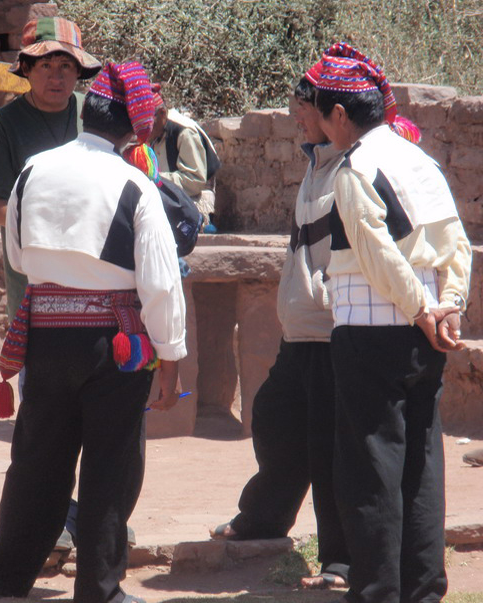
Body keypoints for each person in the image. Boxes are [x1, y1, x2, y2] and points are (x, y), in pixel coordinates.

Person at [0, 61, 186, 603]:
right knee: (110, 468)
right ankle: (99, 591)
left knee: (37, 464)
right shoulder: (135, 184)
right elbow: (160, 283)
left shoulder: (33, 172)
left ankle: (2, 585)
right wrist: (172, 357)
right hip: (115, 345)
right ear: (131, 128)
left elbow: (19, 255)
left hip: (44, 336)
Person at [314, 43, 471, 603]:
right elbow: (457, 243)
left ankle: (377, 590)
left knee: (370, 469)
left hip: (371, 333)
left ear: (339, 115)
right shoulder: (419, 161)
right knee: (422, 465)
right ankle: (423, 588)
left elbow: (377, 253)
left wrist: (422, 308)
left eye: (321, 112)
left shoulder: (355, 168)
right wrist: (447, 304)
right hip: (423, 335)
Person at [209, 67, 351, 589]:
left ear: (331, 112)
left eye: (303, 111)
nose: (296, 120)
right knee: (275, 422)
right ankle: (264, 520)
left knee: (330, 447)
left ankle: (341, 560)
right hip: (302, 334)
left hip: (334, 333)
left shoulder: (349, 170)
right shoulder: (317, 164)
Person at [0, 15, 102, 553]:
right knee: (45, 422)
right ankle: (52, 526)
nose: (57, 76)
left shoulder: (91, 118)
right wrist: (48, 226)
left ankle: (93, 522)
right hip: (39, 296)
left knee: (102, 420)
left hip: (100, 294)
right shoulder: (5, 124)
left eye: (67, 66)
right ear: (25, 69)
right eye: (47, 64)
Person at [147, 85, 220, 228]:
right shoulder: (157, 131)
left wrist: (153, 177)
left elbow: (194, 181)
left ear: (162, 113)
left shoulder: (184, 132)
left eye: (148, 123)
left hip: (195, 201)